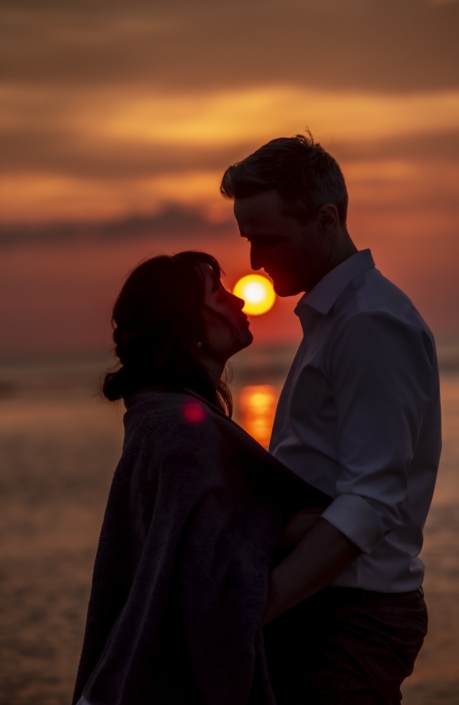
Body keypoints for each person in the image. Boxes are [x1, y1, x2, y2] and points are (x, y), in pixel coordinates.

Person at [221, 133, 442, 704]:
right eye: (248, 240)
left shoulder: (370, 323)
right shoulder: (335, 318)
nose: (255, 262)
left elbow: (371, 500)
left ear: (326, 218)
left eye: (268, 240)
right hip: (325, 606)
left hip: (349, 617)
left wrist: (259, 606)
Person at [72, 251, 330, 705]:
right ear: (186, 326)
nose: (242, 303)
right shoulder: (180, 430)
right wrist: (341, 511)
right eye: (220, 295)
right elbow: (209, 571)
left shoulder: (158, 419)